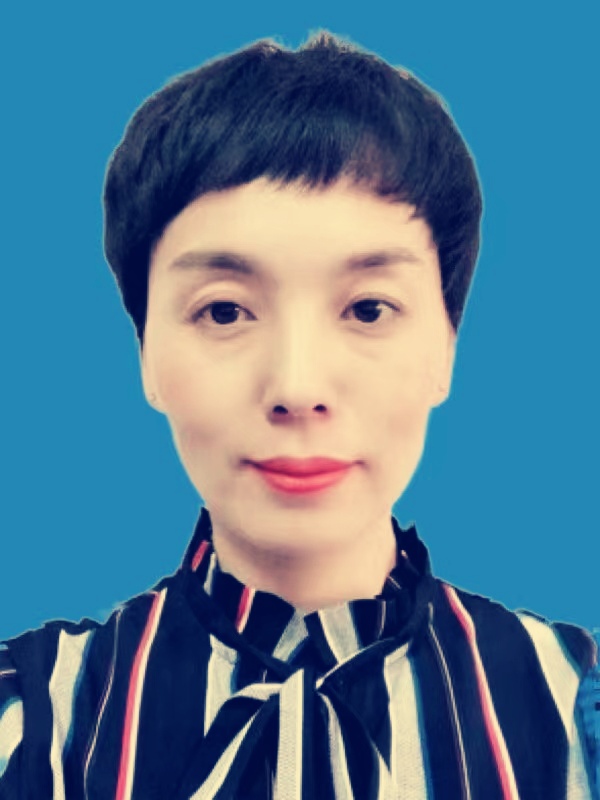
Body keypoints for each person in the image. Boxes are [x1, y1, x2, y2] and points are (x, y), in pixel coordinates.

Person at [0, 29, 598, 799]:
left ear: (447, 347)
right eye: (224, 311)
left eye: (369, 308)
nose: (297, 385)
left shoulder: (572, 706)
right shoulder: (33, 718)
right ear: (145, 351)